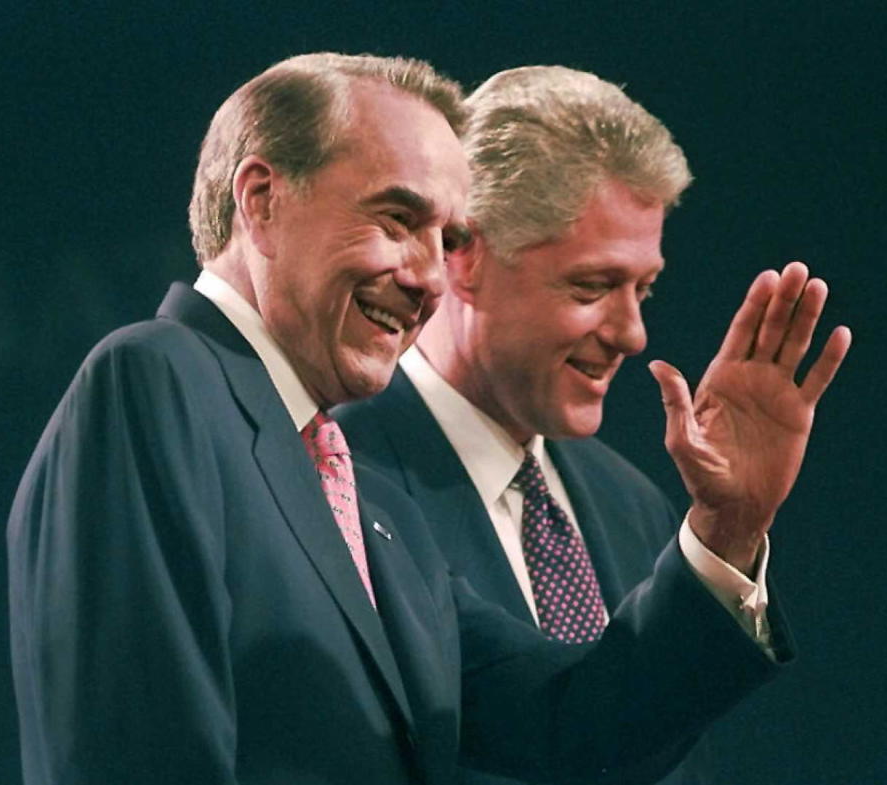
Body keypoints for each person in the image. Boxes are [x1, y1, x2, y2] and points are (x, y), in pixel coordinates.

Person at [7, 54, 846, 785]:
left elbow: (571, 722)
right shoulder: (161, 378)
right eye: (398, 220)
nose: (428, 277)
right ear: (261, 201)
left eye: (443, 236)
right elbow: (139, 759)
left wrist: (729, 526)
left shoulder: (350, 486)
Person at [335, 66, 852, 785]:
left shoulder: (632, 505)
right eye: (593, 286)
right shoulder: (339, 475)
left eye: (645, 287)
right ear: (463, 253)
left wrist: (730, 530)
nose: (634, 332)